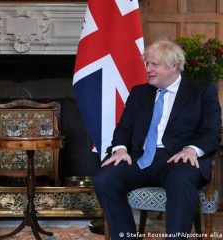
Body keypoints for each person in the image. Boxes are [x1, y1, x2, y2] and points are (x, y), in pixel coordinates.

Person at [93, 39, 221, 239]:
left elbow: (211, 132)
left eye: (155, 64)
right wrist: (120, 149)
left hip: (178, 159)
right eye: (147, 64)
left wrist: (192, 150)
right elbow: (124, 128)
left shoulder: (202, 92)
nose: (148, 69)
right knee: (104, 179)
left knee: (181, 178)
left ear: (174, 66)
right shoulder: (139, 93)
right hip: (141, 159)